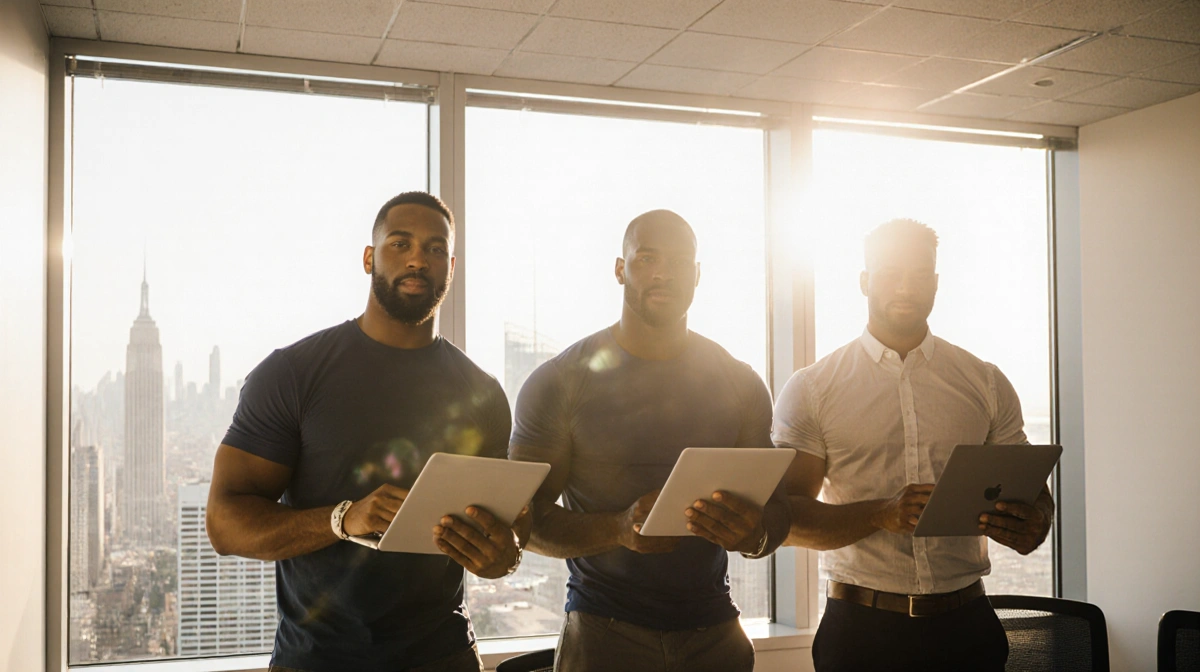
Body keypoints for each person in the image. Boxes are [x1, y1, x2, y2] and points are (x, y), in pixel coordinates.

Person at [205, 192, 522, 672]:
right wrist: (342, 519)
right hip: (317, 661)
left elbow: (507, 536)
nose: (418, 258)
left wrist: (503, 557)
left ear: (450, 268)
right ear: (369, 258)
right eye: (400, 243)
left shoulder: (483, 393)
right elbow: (225, 524)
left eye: (435, 249)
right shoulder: (293, 373)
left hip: (444, 658)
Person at [509, 209, 791, 672]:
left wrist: (752, 533)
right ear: (620, 269)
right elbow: (525, 521)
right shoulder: (559, 383)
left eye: (680, 261)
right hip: (603, 634)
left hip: (716, 635)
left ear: (697, 275)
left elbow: (779, 512)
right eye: (647, 258)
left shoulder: (739, 383)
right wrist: (618, 529)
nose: (664, 272)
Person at [773, 218, 1054, 671]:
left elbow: (1034, 495)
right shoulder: (813, 389)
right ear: (865, 282)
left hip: (968, 629)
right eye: (890, 273)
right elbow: (787, 518)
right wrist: (880, 514)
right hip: (861, 633)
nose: (906, 287)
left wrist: (1036, 521)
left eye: (920, 274)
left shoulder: (984, 382)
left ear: (936, 283)